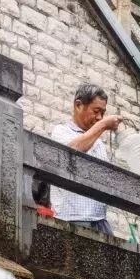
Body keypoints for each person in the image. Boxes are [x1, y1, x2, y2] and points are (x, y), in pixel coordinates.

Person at [49, 83, 120, 237]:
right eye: (96, 111)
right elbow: (73, 151)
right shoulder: (61, 131)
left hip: (100, 220)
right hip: (72, 217)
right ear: (78, 105)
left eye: (103, 113)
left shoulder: (98, 143)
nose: (99, 117)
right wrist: (103, 125)